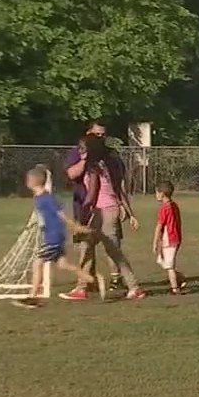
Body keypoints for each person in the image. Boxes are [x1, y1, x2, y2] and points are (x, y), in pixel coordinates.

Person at [60, 135, 146, 301]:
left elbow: (92, 194)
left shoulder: (94, 167)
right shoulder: (106, 163)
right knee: (86, 245)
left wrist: (83, 213)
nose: (81, 151)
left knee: (112, 251)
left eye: (84, 148)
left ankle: (134, 288)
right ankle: (82, 287)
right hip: (104, 211)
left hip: (104, 212)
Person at [13, 165, 100, 309]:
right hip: (54, 235)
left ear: (33, 182)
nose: (26, 182)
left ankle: (33, 297)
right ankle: (91, 279)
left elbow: (61, 214)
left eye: (28, 179)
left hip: (53, 237)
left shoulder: (46, 198)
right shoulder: (39, 198)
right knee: (63, 264)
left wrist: (75, 226)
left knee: (37, 263)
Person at [64, 120, 128, 291]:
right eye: (96, 134)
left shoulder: (110, 155)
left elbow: (118, 182)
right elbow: (71, 174)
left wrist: (124, 206)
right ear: (88, 134)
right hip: (85, 207)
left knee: (112, 244)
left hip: (106, 207)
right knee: (86, 245)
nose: (100, 138)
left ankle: (118, 279)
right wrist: (86, 159)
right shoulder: (78, 153)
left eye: (102, 135)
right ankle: (86, 282)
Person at [152, 181, 188, 295]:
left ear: (162, 194)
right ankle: (180, 278)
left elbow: (159, 226)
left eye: (157, 193)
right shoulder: (174, 205)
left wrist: (155, 242)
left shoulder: (164, 208)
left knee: (169, 266)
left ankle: (175, 289)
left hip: (170, 239)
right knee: (162, 261)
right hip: (175, 238)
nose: (156, 195)